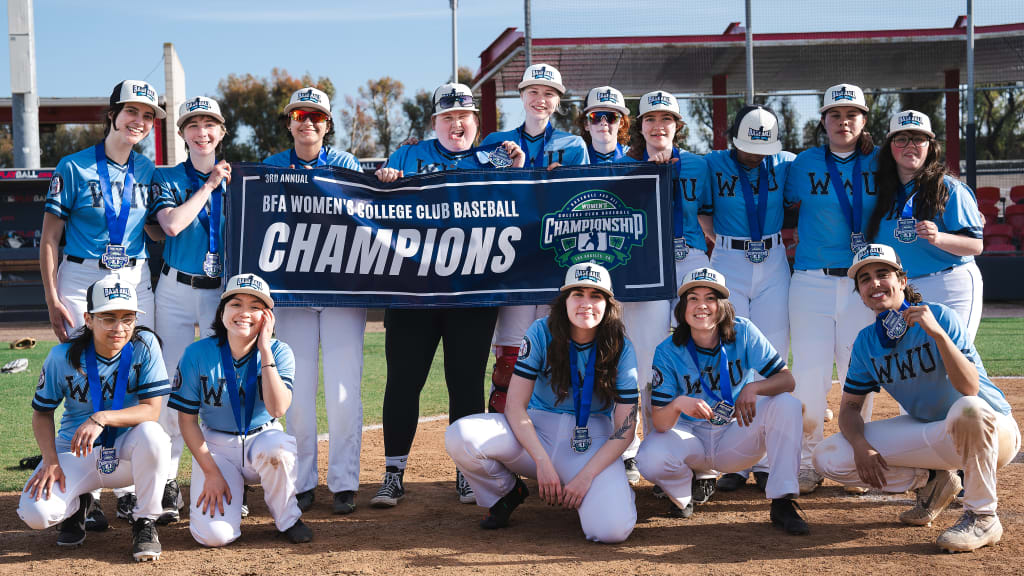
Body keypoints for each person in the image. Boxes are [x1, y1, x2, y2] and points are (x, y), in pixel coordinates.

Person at [371, 82, 525, 507]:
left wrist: (517, 170)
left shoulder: (493, 158)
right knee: (404, 381)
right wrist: (384, 181)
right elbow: (378, 206)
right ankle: (393, 472)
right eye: (447, 117)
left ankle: (466, 471)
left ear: (476, 121)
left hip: (471, 292)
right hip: (413, 291)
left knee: (465, 383)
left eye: (464, 116)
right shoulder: (408, 155)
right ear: (434, 122)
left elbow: (519, 206)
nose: (457, 123)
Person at [813, 244, 1020, 552]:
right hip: (936, 434)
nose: (874, 284)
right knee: (828, 455)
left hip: (991, 430)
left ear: (903, 281)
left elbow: (970, 388)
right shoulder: (867, 342)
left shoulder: (940, 317)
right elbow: (850, 409)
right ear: (859, 292)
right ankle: (933, 481)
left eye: (883, 274)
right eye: (865, 279)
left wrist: (938, 334)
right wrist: (862, 447)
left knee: (968, 409)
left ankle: (982, 516)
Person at [40, 79, 165, 527]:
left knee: (134, 366)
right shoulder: (72, 167)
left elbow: (155, 228)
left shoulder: (149, 171)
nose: (140, 121)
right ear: (112, 114)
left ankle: (131, 489)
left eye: (148, 116)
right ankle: (83, 489)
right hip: (81, 273)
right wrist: (53, 295)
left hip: (132, 275)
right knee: (80, 369)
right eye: (132, 111)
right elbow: (50, 236)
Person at [446, 262, 639, 543]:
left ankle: (612, 489)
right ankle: (506, 491)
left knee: (611, 531)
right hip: (537, 430)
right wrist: (542, 463)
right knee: (461, 435)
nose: (586, 303)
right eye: (578, 294)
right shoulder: (541, 331)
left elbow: (625, 430)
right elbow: (514, 406)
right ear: (564, 301)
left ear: (609, 305)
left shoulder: (621, 346)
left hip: (591, 441)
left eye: (595, 296)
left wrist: (587, 476)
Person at [635, 267, 808, 534]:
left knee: (787, 404)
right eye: (693, 298)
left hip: (735, 435)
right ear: (682, 308)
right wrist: (680, 403)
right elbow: (659, 421)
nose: (701, 305)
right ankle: (683, 491)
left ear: (723, 305)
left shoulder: (744, 331)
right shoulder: (668, 351)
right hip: (690, 437)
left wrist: (754, 387)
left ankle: (783, 501)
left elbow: (788, 381)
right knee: (649, 457)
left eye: (710, 298)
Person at [263, 86, 366, 515]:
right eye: (299, 114)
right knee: (298, 395)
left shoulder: (347, 164)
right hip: (291, 294)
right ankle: (302, 481)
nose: (308, 122)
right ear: (288, 122)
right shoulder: (267, 168)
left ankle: (344, 482)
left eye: (317, 116)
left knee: (344, 392)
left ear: (328, 125)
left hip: (341, 290)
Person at [17, 275, 171, 561]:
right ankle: (77, 504)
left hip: (127, 450)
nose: (119, 327)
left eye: (128, 318)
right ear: (88, 319)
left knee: (154, 436)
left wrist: (101, 417)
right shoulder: (62, 356)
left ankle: (145, 521)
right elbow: (42, 413)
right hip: (77, 451)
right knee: (35, 513)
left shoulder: (144, 345)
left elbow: (151, 409)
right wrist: (50, 460)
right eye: (108, 318)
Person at [619, 90, 716, 503]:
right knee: (646, 360)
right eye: (651, 120)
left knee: (699, 351)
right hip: (644, 264)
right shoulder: (624, 165)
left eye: (667, 119)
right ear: (640, 126)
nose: (659, 126)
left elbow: (707, 214)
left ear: (678, 125)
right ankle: (646, 451)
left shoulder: (698, 163)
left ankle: (705, 459)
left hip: (688, 258)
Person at [782, 83, 879, 494]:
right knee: (809, 376)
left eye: (851, 114)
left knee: (860, 375)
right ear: (823, 121)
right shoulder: (803, 164)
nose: (843, 121)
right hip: (811, 280)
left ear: (864, 120)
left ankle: (857, 460)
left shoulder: (880, 163)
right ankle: (806, 462)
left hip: (862, 282)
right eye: (835, 115)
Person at [168, 273, 313, 546]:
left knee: (278, 450)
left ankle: (288, 518)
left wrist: (265, 350)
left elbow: (278, 408)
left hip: (263, 439)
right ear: (222, 312)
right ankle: (231, 496)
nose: (244, 313)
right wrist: (210, 472)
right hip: (217, 447)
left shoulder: (280, 352)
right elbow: (187, 422)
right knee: (214, 537)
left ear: (267, 317)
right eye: (236, 304)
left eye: (255, 307)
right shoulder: (197, 354)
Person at [480, 63, 589, 415]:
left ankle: (550, 439)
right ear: (521, 96)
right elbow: (481, 200)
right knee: (509, 362)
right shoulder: (497, 143)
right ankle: (504, 450)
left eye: (548, 94)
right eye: (533, 92)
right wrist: (518, 172)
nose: (540, 100)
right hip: (511, 258)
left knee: (556, 354)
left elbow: (583, 204)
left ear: (557, 101)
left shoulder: (573, 146)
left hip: (556, 258)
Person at [704, 106, 796, 492]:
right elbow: (697, 206)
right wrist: (715, 239)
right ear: (730, 138)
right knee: (730, 352)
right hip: (729, 256)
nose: (755, 155)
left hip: (773, 256)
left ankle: (768, 459)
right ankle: (737, 460)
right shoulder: (712, 164)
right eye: (746, 146)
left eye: (762, 147)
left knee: (772, 351)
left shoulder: (787, 162)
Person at [150, 96, 233, 525]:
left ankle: (229, 474)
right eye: (193, 125)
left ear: (221, 133)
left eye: (209, 125)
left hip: (220, 291)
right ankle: (167, 480)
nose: (202, 132)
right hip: (176, 289)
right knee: (171, 384)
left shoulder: (241, 180)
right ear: (182, 134)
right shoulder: (168, 178)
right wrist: (208, 185)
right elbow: (172, 225)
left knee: (221, 380)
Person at [865, 110, 984, 344]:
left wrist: (939, 238)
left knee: (954, 357)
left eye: (918, 139)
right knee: (913, 366)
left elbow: (975, 245)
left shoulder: (949, 188)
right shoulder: (880, 191)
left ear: (930, 145)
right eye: (902, 139)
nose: (910, 146)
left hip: (950, 284)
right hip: (903, 290)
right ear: (890, 146)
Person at [574, 86, 630, 164]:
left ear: (621, 123)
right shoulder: (573, 159)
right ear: (586, 124)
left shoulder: (637, 158)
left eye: (612, 117)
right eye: (596, 117)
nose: (604, 123)